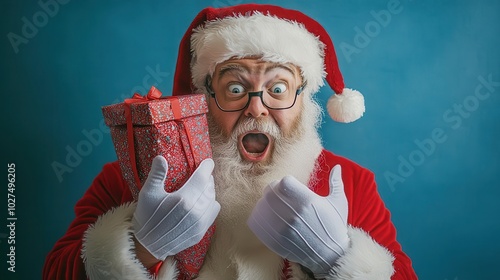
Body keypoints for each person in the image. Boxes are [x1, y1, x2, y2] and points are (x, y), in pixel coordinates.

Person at [43, 4, 418, 280]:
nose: (257, 109)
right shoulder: (131, 179)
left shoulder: (351, 183)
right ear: (203, 97)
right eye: (235, 88)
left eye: (278, 88)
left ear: (304, 99)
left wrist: (336, 260)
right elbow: (54, 273)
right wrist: (141, 247)